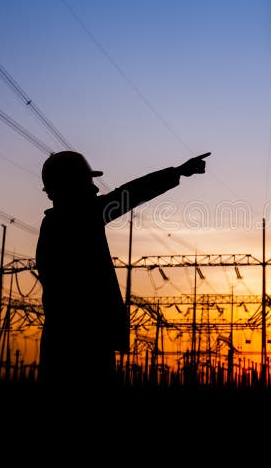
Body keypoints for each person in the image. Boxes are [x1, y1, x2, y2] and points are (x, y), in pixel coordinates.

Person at [35, 150, 210, 386]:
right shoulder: (80, 218)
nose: (95, 189)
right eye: (88, 182)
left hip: (63, 343)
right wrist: (177, 172)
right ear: (71, 185)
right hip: (86, 345)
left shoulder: (55, 226)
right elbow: (130, 194)